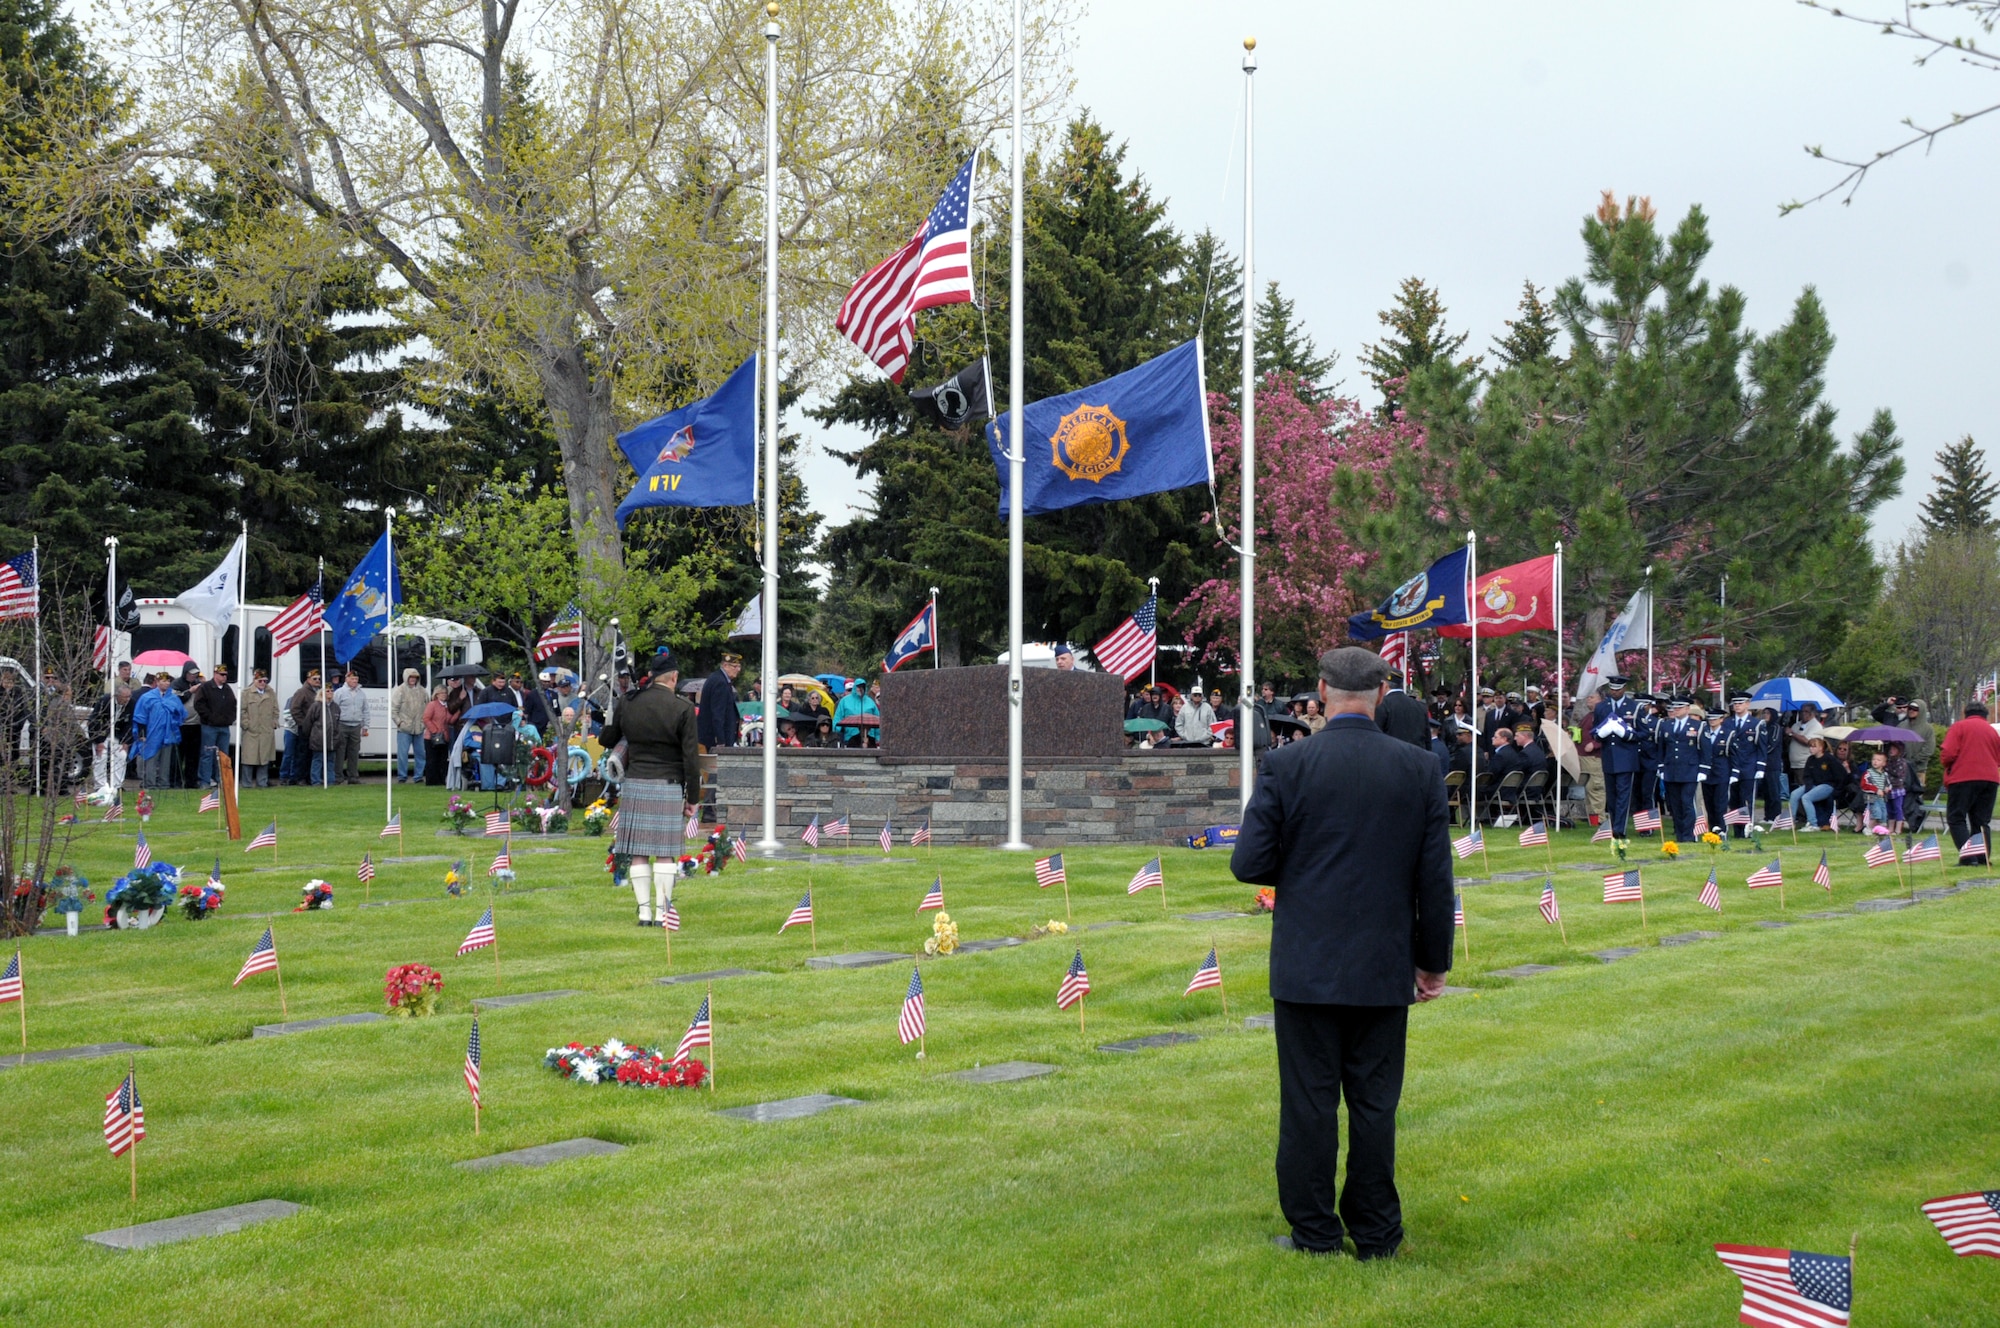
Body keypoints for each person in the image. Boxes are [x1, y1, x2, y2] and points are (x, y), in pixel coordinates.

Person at [1230, 646, 1453, 1260]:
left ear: (1322, 690)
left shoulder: (1288, 765)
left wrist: (1300, 865)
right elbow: (1435, 880)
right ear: (1382, 695)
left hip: (1308, 962)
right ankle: (1377, 1232)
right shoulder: (1419, 767)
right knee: (1375, 1103)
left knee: (1309, 1103)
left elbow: (1249, 862)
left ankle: (1315, 1231)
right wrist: (1433, 961)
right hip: (1383, 963)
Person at [599, 645, 702, 926]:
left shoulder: (630, 702)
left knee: (639, 853)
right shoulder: (683, 708)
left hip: (635, 783)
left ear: (652, 675)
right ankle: (661, 912)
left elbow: (607, 740)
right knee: (666, 853)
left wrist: (614, 710)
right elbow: (691, 758)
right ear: (673, 677)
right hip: (668, 785)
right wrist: (692, 797)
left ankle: (644, 913)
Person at [1940, 700, 2000, 864]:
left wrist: (1947, 766)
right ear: (1985, 716)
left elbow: (1948, 754)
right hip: (1990, 779)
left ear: (1966, 714)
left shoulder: (1959, 727)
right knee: (1981, 821)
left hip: (1963, 777)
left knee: (1956, 818)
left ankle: (1968, 857)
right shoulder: (1992, 731)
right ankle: (1982, 857)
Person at [1591, 676, 1643, 843]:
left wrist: (1628, 735)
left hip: (1626, 757)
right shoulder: (1601, 707)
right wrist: (1600, 734)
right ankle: (1613, 825)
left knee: (1623, 795)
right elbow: (1595, 731)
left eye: (1618, 689)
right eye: (1612, 689)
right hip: (1608, 756)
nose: (1614, 692)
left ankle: (1620, 828)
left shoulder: (1634, 707)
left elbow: (1644, 732)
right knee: (1611, 795)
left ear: (1624, 689)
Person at [131, 673, 185, 789]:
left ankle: (164, 784)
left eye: (168, 681)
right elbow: (140, 716)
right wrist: (142, 733)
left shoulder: (173, 698)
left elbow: (180, 713)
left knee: (166, 761)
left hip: (168, 734)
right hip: (152, 734)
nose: (166, 683)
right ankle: (150, 784)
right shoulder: (147, 697)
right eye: (163, 681)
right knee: (151, 759)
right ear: (157, 682)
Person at [189, 664, 237, 787]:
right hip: (209, 727)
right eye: (222, 675)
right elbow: (199, 705)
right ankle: (205, 780)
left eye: (225, 675)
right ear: (215, 674)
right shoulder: (205, 687)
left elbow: (233, 705)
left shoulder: (227, 689)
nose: (224, 677)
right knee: (207, 754)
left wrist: (231, 718)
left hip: (224, 727)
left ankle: (221, 780)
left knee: (223, 755)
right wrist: (210, 718)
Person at [1788, 736, 1842, 830]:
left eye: (1814, 747)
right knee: (1794, 794)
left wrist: (1837, 789)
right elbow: (1807, 776)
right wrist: (1808, 786)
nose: (1811, 749)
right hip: (1813, 785)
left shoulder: (1829, 759)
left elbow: (1840, 774)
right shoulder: (1810, 759)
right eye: (1810, 746)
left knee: (1806, 798)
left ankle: (1812, 824)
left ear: (1820, 748)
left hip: (1827, 785)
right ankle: (1790, 822)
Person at [239, 669, 280, 787]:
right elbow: (242, 710)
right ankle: (246, 784)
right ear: (254, 680)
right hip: (251, 731)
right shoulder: (246, 693)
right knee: (248, 759)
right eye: (260, 680)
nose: (263, 683)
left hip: (266, 731)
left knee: (264, 758)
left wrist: (274, 722)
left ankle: (262, 783)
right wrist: (246, 724)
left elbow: (275, 709)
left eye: (265, 681)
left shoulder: (270, 692)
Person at [697, 652, 744, 750]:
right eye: (735, 666)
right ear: (725, 665)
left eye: (739, 666)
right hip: (714, 740)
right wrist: (720, 740)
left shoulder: (717, 678)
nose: (738, 670)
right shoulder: (720, 682)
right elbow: (718, 713)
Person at [284, 669, 321, 784]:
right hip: (305, 728)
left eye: (319, 679)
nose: (317, 681)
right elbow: (294, 709)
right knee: (302, 754)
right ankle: (299, 778)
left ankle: (309, 777)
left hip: (315, 729)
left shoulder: (319, 692)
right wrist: (303, 724)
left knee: (311, 753)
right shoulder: (302, 692)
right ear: (308, 679)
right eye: (314, 679)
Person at [392, 668, 428, 783]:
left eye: (415, 678)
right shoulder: (400, 691)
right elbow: (394, 710)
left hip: (420, 728)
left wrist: (424, 724)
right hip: (404, 729)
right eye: (411, 677)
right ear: (406, 678)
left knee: (421, 753)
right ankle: (402, 776)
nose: (412, 680)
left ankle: (418, 776)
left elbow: (428, 709)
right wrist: (399, 723)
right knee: (402, 754)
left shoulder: (423, 691)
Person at [333, 669, 368, 784]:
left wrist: (365, 726)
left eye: (356, 679)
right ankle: (338, 776)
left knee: (354, 752)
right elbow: (334, 709)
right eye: (352, 679)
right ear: (346, 679)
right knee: (340, 752)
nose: (354, 681)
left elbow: (365, 710)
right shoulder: (339, 692)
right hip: (342, 725)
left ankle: (353, 777)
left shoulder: (361, 694)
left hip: (356, 725)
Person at [1375, 677, 1429, 749]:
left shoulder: (1382, 704)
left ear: (1385, 685)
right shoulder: (1420, 706)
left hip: (1390, 754)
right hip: (1416, 756)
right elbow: (1427, 738)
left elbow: (1377, 734)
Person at [422, 685, 453, 787]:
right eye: (442, 693)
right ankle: (431, 781)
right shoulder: (432, 705)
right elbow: (426, 718)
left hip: (444, 737)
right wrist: (435, 730)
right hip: (432, 737)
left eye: (445, 693)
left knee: (443, 760)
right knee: (432, 760)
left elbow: (449, 720)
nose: (444, 695)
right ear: (437, 694)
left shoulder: (446, 706)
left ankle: (441, 780)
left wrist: (456, 713)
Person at [833, 677, 878, 745]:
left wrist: (878, 737)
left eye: (862, 686)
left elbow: (878, 719)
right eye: (858, 686)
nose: (860, 688)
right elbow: (838, 718)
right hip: (849, 738)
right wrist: (836, 732)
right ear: (854, 687)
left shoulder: (870, 702)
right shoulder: (844, 701)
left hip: (869, 739)